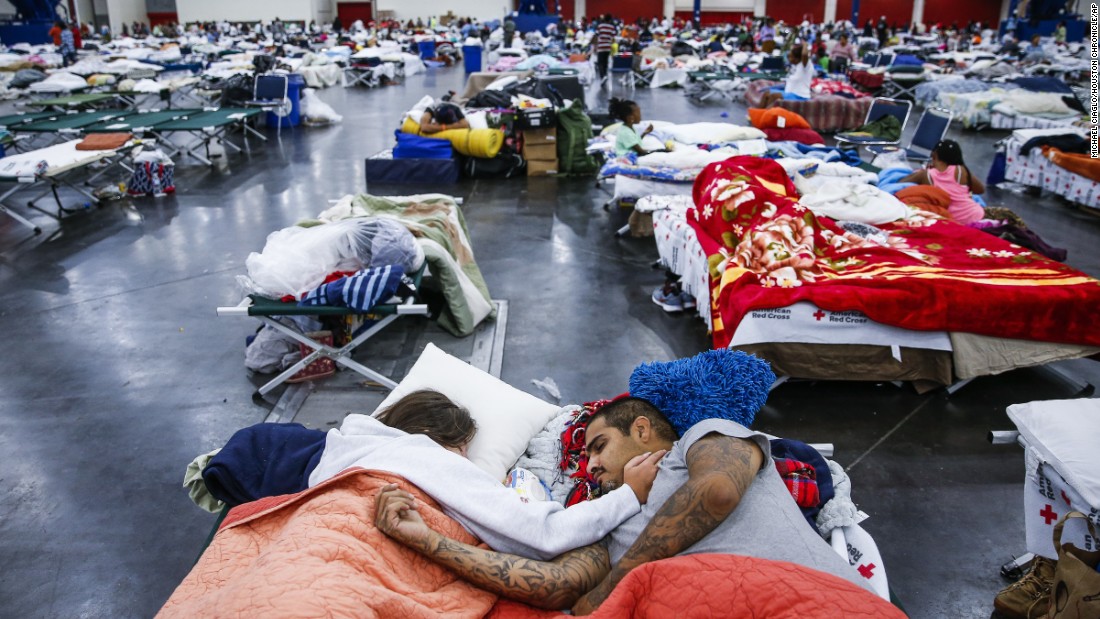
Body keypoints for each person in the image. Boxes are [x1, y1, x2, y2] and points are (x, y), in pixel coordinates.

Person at [375, 397, 871, 614]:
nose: (588, 466)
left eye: (597, 446)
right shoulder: (604, 520)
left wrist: (617, 579)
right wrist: (427, 540)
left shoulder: (700, 440)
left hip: (803, 597)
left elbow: (718, 492)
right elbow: (555, 586)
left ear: (640, 430)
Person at [595, 14, 616, 79]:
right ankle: (605, 75)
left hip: (601, 47)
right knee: (605, 62)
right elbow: (613, 38)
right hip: (608, 47)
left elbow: (596, 35)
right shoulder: (612, 27)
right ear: (610, 20)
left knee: (600, 62)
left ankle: (602, 76)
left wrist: (596, 46)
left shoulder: (600, 26)